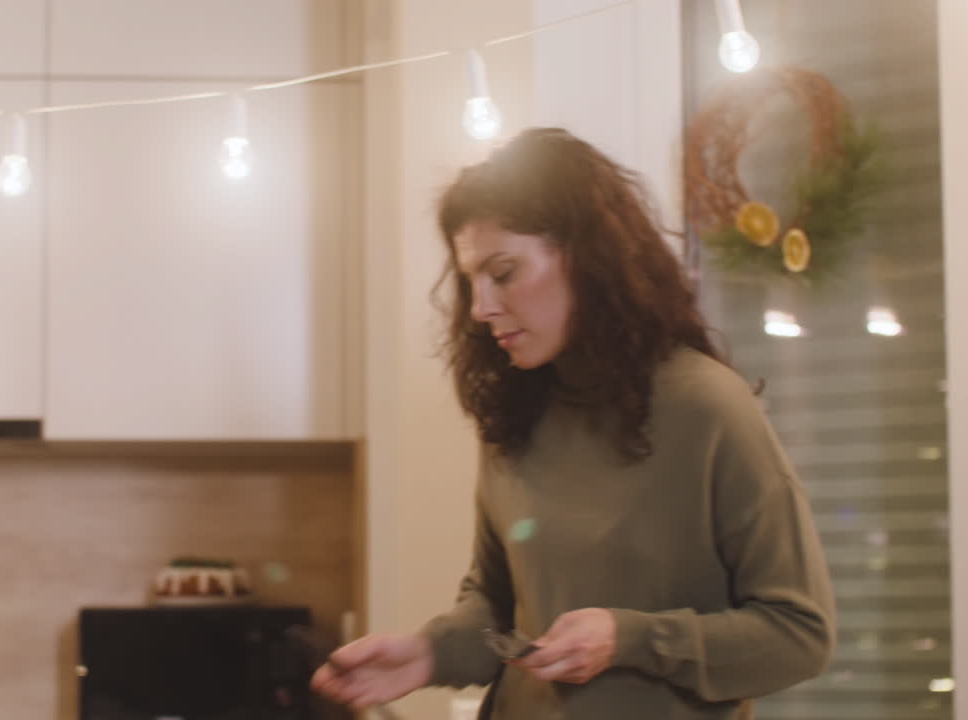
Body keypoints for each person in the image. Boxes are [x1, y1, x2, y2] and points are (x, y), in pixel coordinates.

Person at [310, 127, 836, 719]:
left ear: (588, 257)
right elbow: (501, 609)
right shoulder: (514, 415)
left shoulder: (708, 407)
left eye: (504, 272)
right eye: (470, 281)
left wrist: (629, 639)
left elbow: (799, 635)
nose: (481, 308)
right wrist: (428, 654)